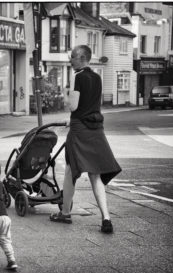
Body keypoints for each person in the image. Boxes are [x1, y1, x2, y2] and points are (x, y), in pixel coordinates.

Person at [49, 45, 122, 234]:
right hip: (96, 129)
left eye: (72, 57)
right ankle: (106, 218)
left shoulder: (78, 77)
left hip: (80, 130)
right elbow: (91, 105)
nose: (70, 60)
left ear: (82, 58)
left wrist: (66, 95)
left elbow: (73, 106)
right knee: (95, 174)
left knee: (70, 170)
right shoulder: (97, 78)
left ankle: (65, 213)